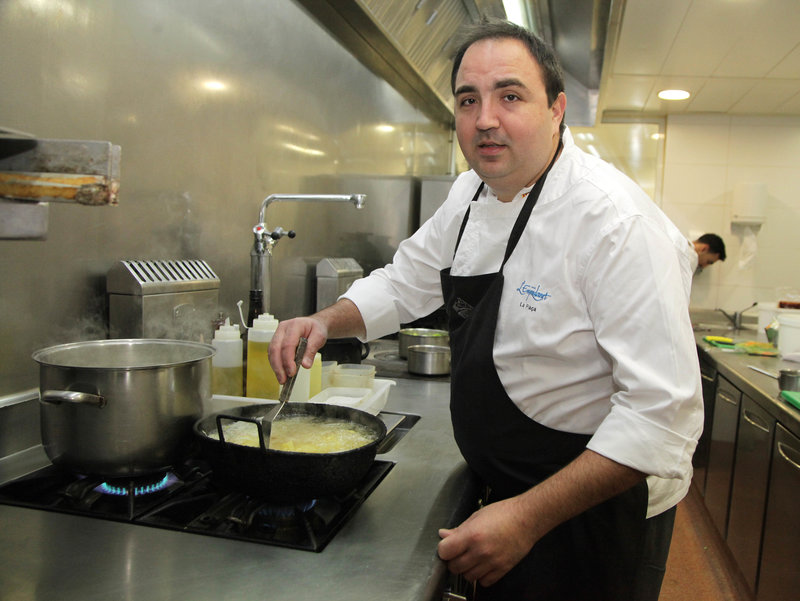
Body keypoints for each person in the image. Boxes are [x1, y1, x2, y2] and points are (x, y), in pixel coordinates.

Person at [269, 18, 702, 601]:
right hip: (505, 488)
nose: (485, 119)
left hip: (596, 507)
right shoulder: (470, 194)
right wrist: (324, 321)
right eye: (468, 100)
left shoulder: (616, 224)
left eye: (510, 95)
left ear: (557, 109)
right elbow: (404, 283)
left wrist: (525, 516)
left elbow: (660, 416)